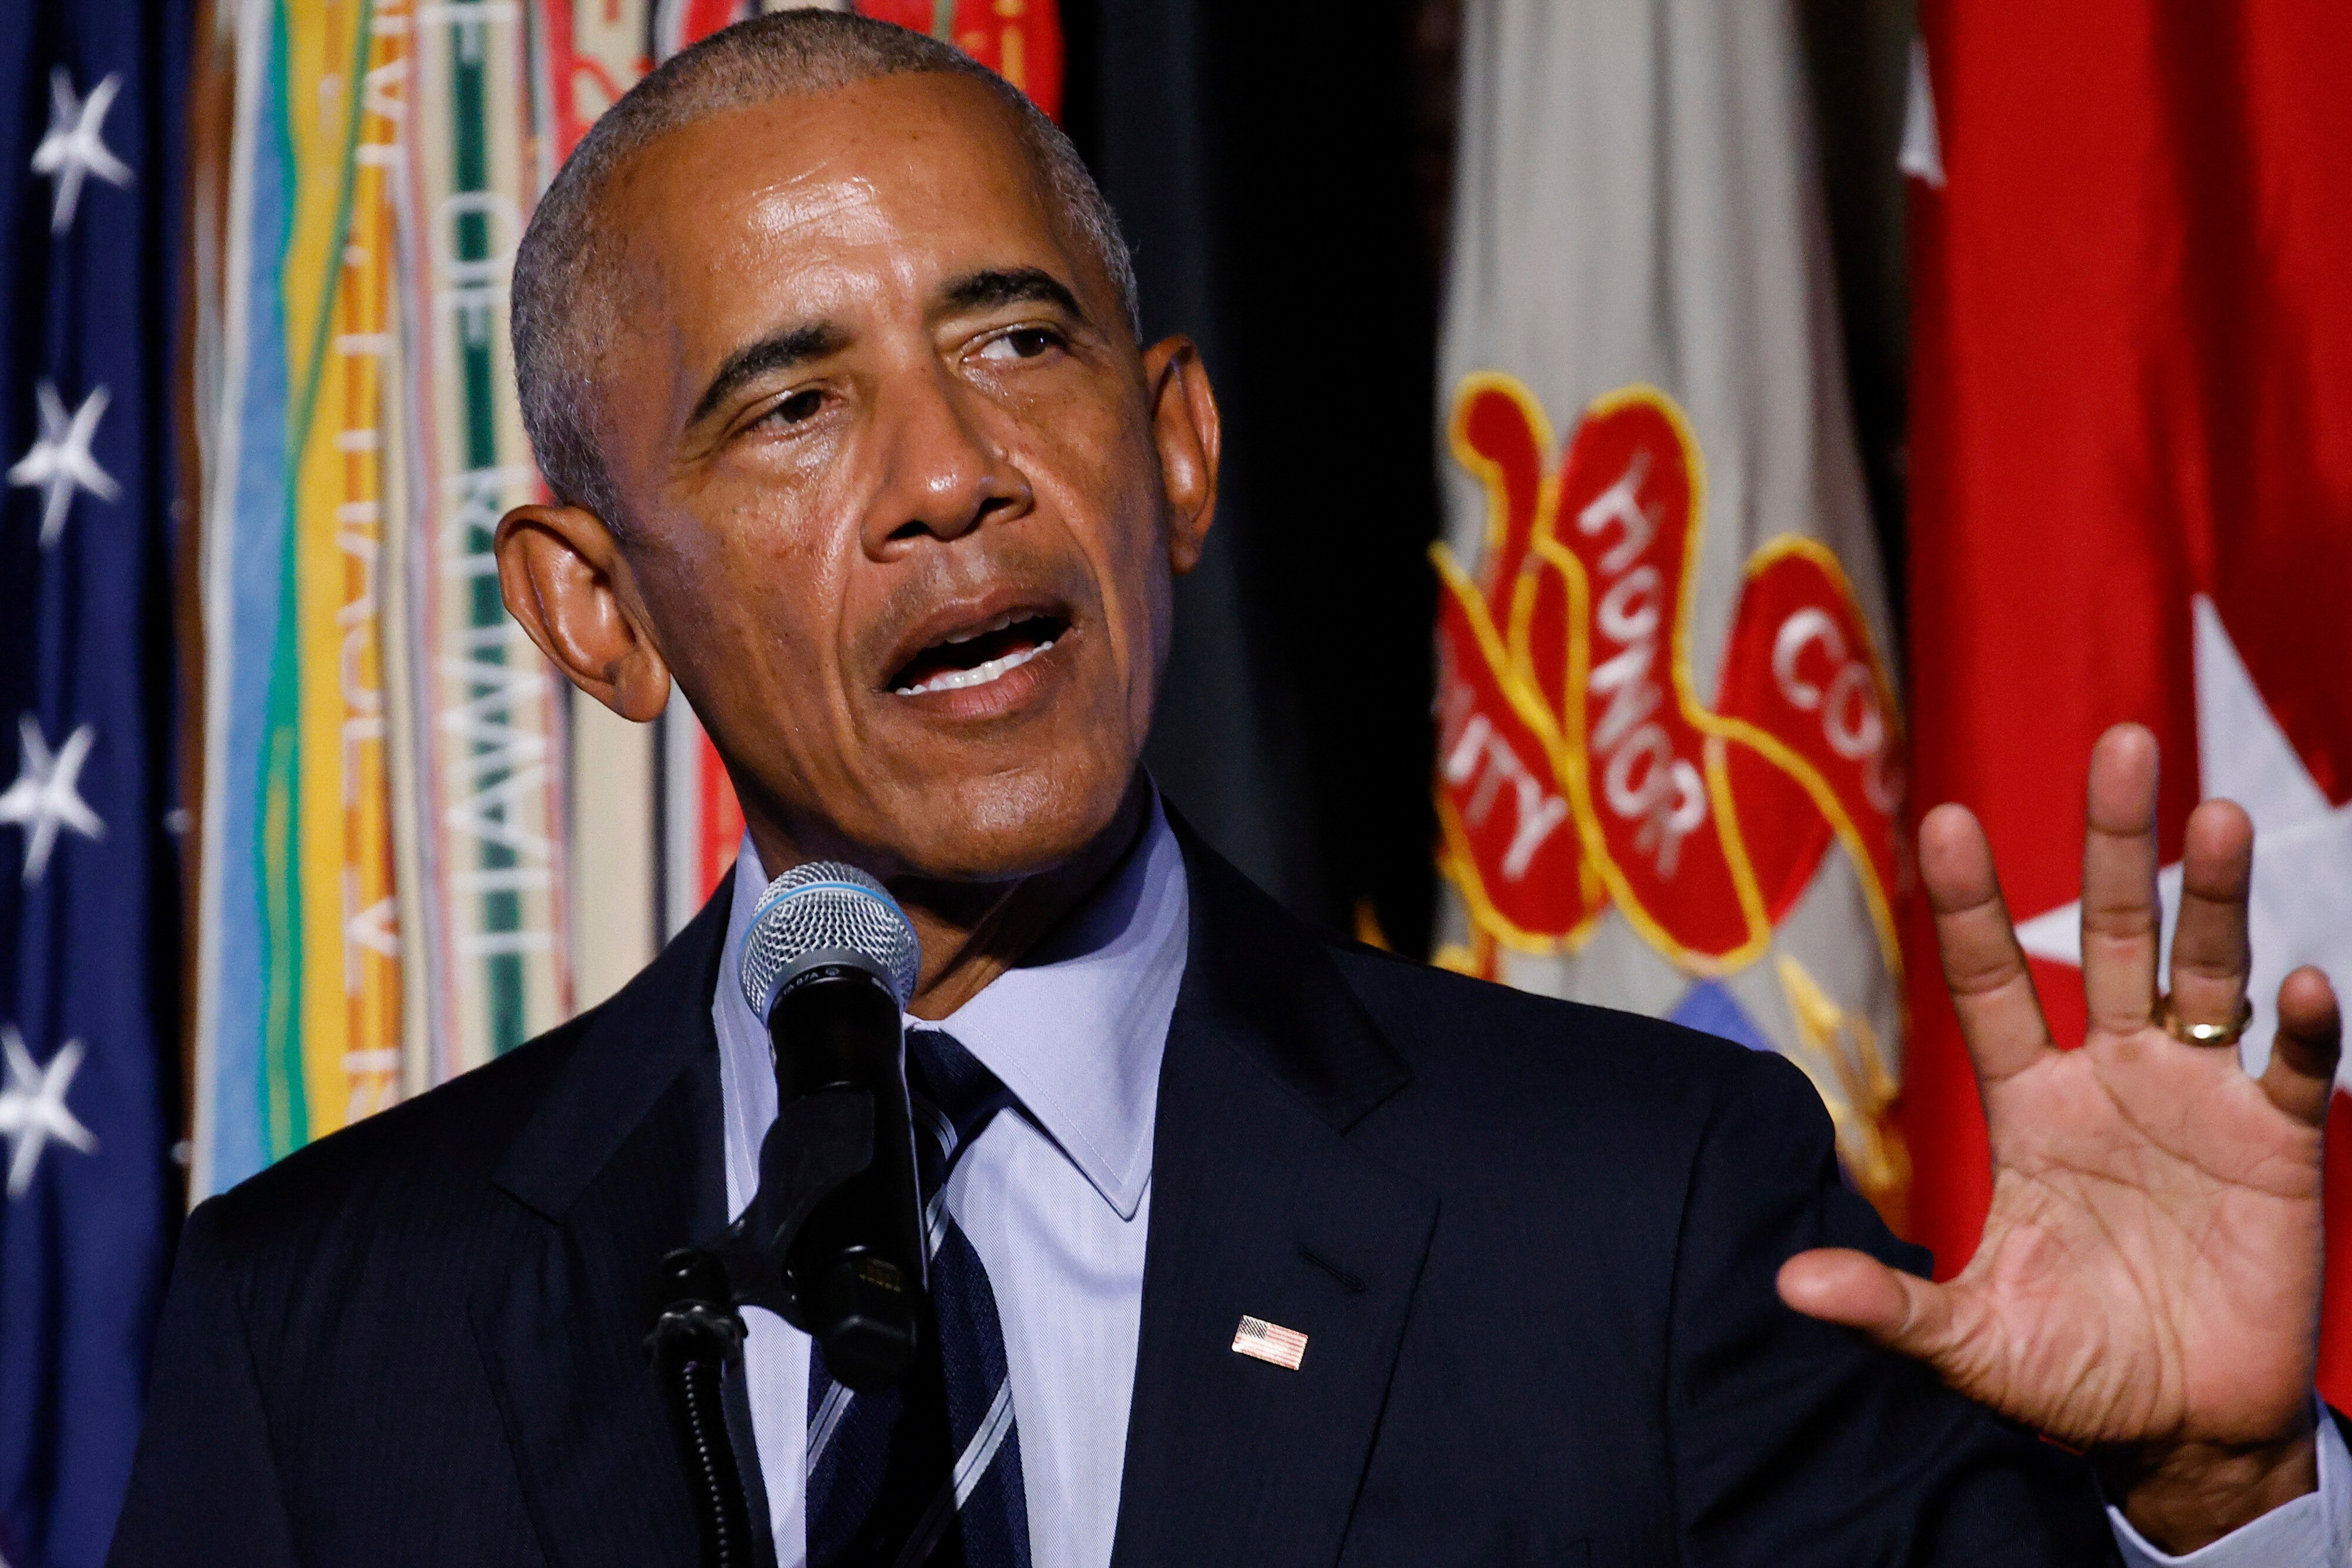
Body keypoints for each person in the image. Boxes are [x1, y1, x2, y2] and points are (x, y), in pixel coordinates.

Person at [110, 13, 2347, 1566]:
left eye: (1016, 340)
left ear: (1172, 450)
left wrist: (2233, 1505)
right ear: (595, 608)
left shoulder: (1638, 1208)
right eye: (792, 405)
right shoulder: (332, 1331)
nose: (950, 475)